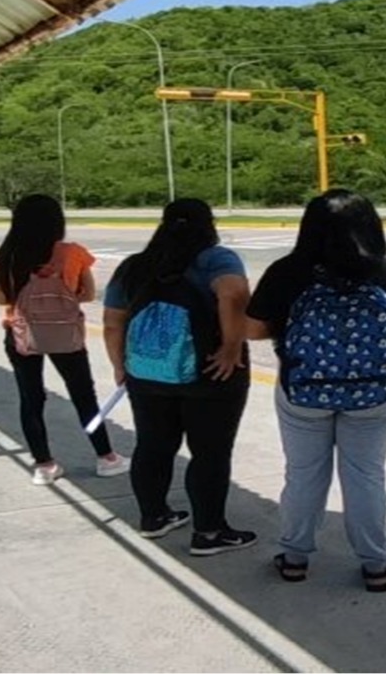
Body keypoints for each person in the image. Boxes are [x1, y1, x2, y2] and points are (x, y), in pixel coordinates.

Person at [246, 188, 386, 593]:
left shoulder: (288, 271)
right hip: (375, 394)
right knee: (366, 476)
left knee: (303, 475)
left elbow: (252, 329)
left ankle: (295, 557)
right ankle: (375, 565)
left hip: (303, 393)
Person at [102, 198, 256, 556]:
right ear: (210, 224)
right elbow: (233, 292)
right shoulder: (216, 259)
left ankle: (154, 518)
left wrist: (121, 365)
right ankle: (209, 532)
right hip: (210, 373)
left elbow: (113, 321)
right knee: (209, 453)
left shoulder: (135, 267)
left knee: (153, 445)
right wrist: (231, 348)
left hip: (147, 373)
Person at [0, 194, 130, 486]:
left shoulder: (4, 256)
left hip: (21, 334)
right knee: (83, 395)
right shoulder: (72, 253)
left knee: (31, 398)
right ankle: (106, 458)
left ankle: (44, 466)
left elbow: (3, 298)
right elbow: (89, 294)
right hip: (65, 334)